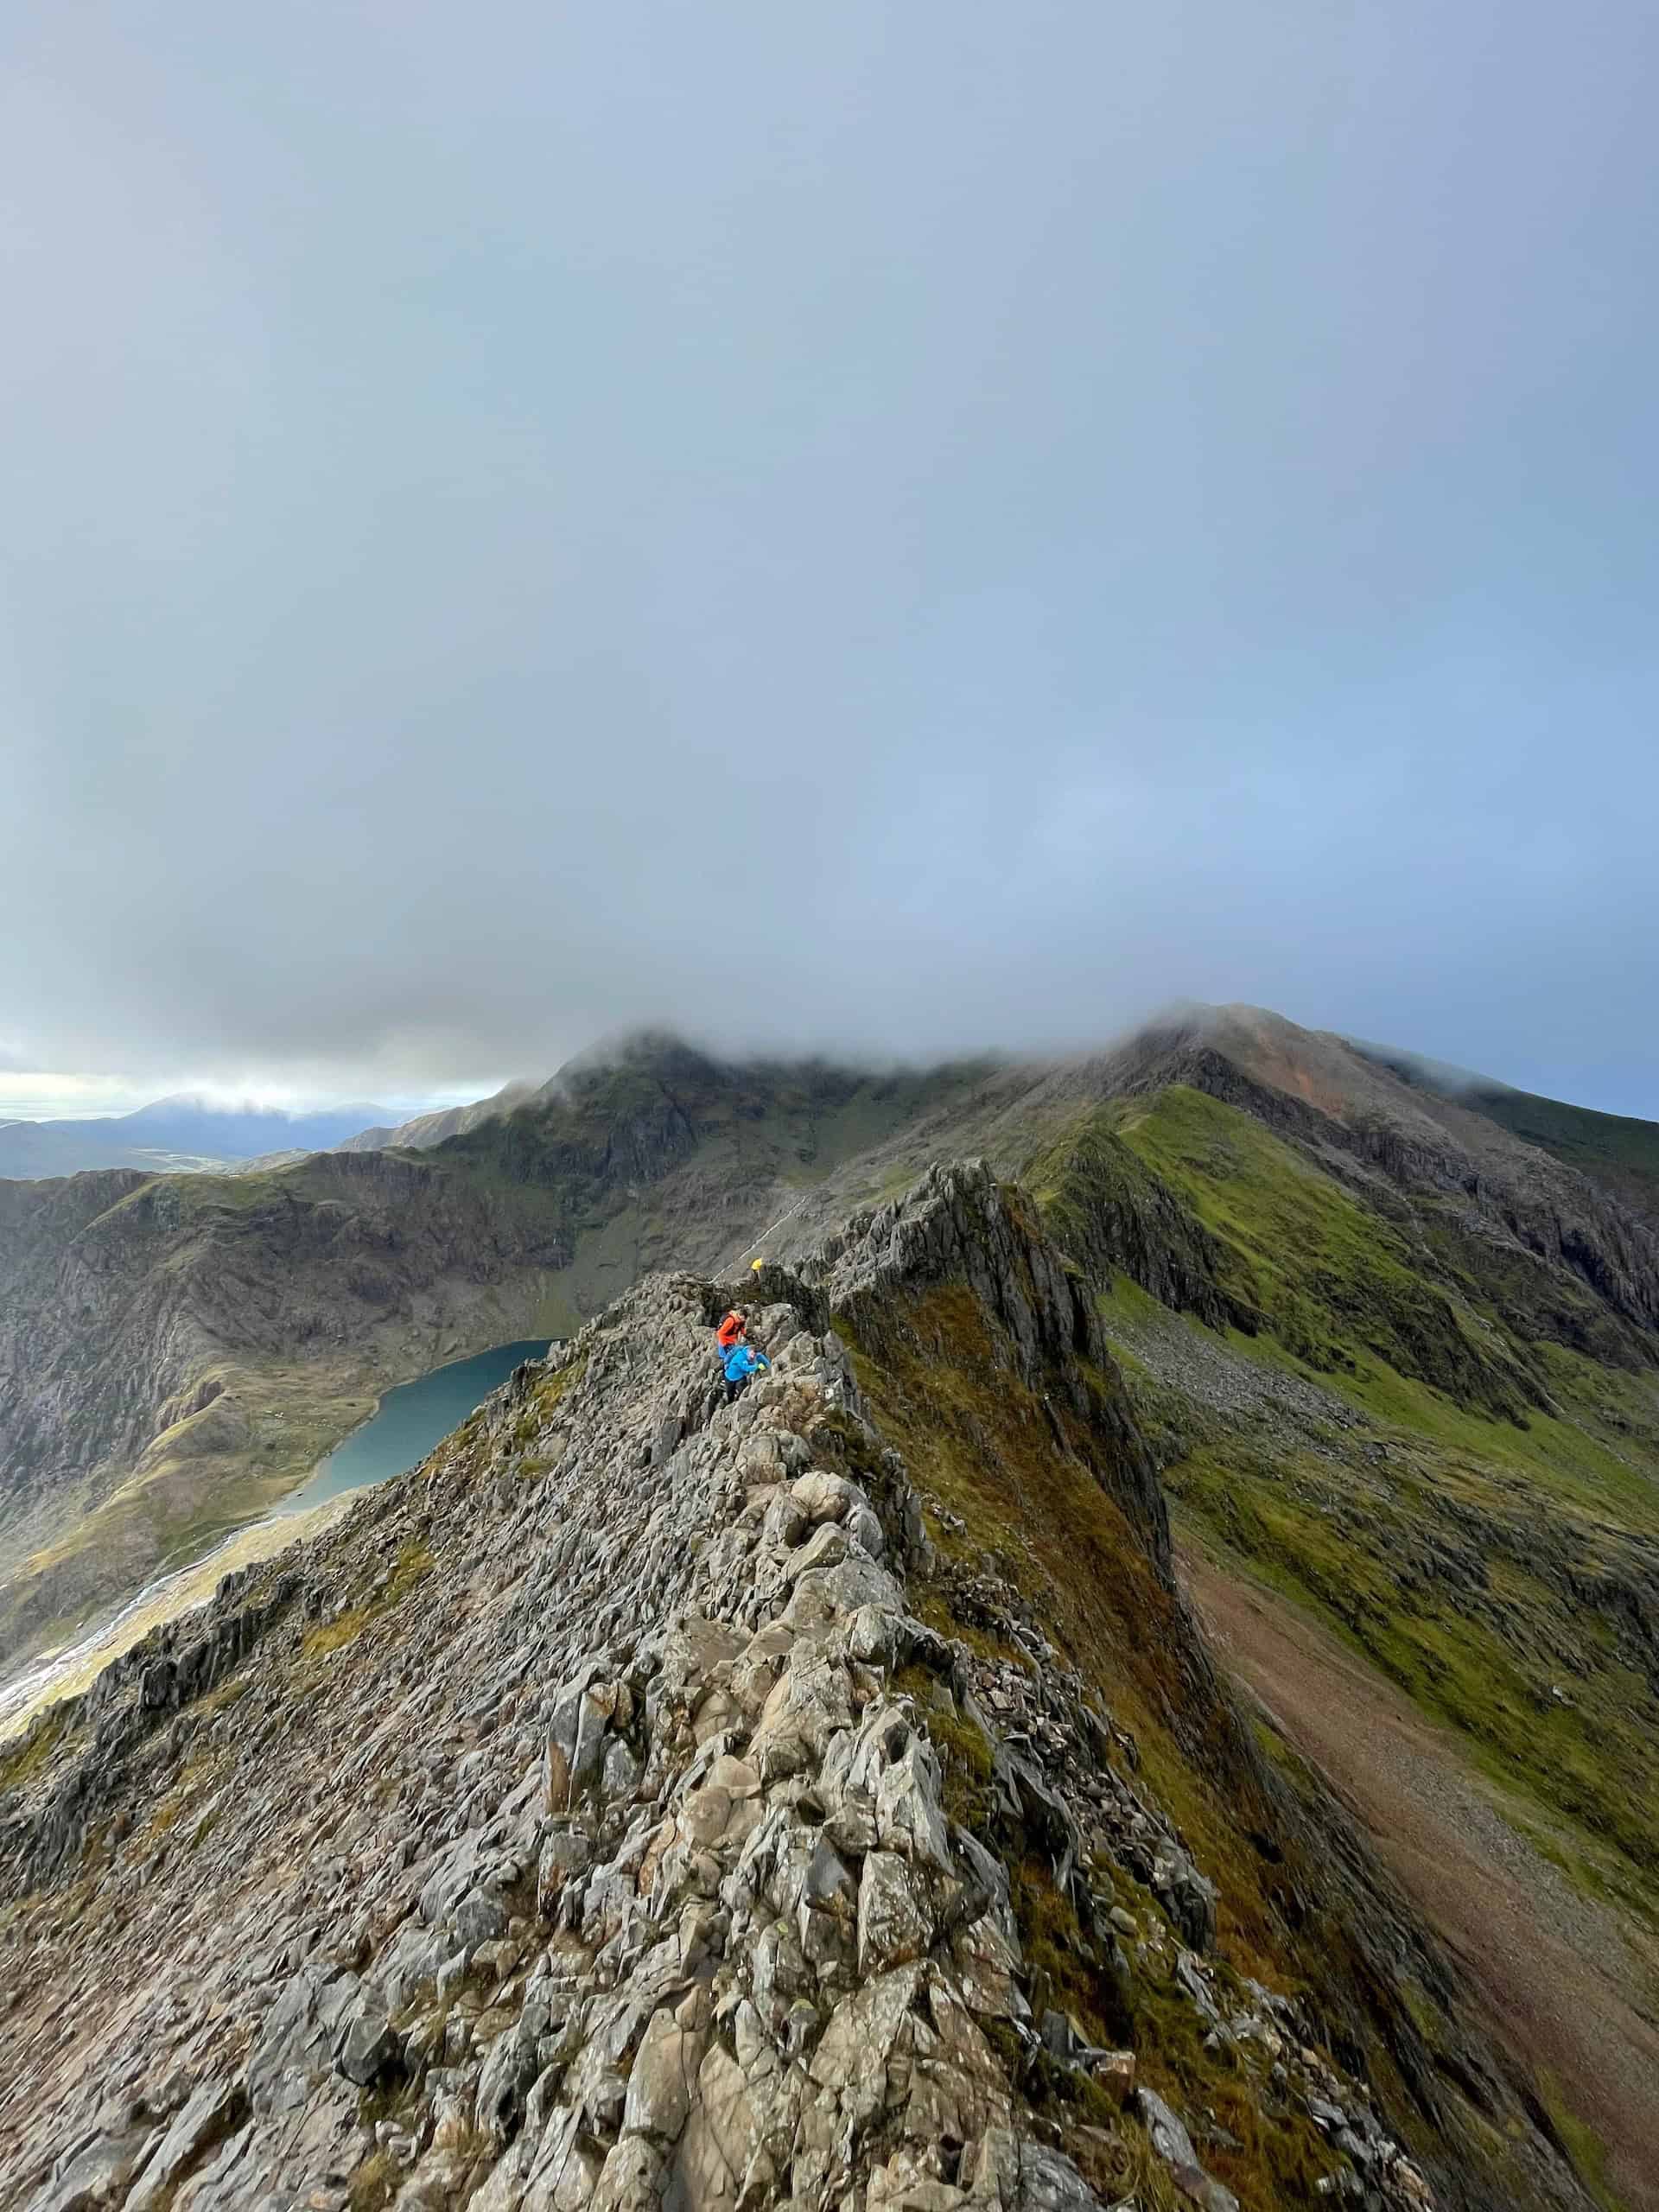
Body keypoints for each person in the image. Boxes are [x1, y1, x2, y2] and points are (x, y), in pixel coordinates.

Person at [721, 1339, 770, 1405]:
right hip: (730, 1377)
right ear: (748, 1351)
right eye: (752, 1354)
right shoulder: (741, 1357)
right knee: (730, 1394)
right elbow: (746, 1368)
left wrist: (768, 1365)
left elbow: (760, 1357)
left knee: (743, 1390)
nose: (753, 1356)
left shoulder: (754, 1354)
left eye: (754, 1354)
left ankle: (738, 1401)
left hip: (740, 1377)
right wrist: (757, 1366)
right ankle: (730, 1404)